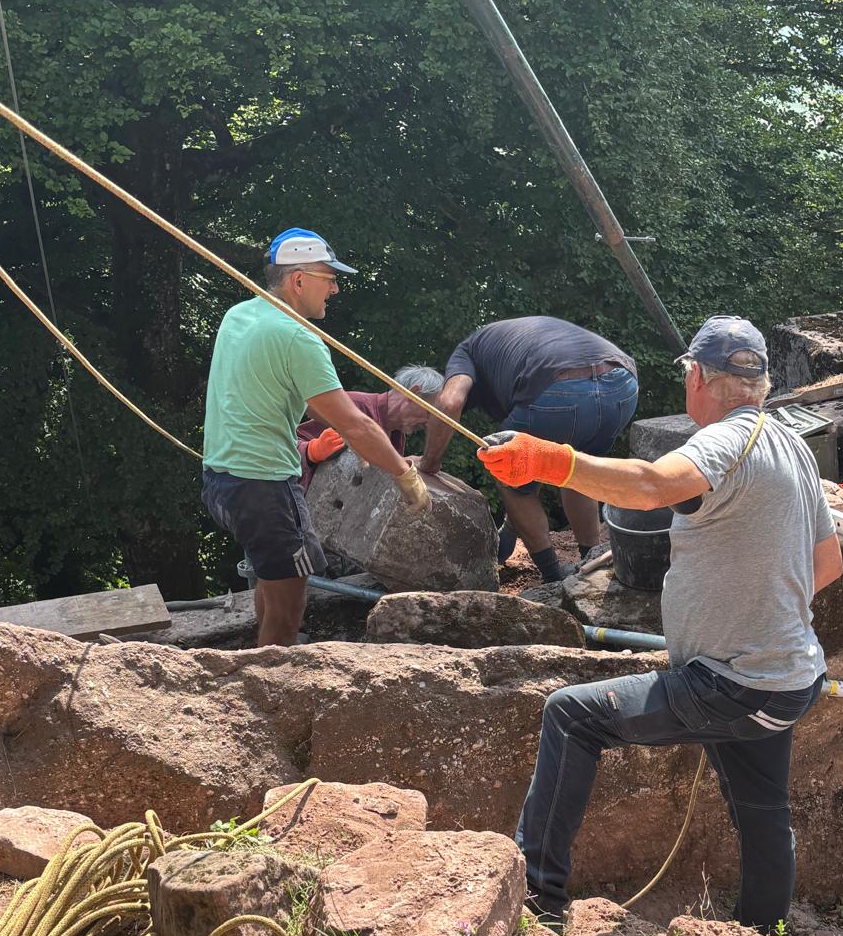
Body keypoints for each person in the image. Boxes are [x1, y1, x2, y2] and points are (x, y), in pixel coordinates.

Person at [477, 316, 843, 936]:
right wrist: (757, 611)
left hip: (733, 683)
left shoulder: (725, 439)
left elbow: (651, 486)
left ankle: (539, 901)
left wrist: (548, 460)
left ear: (696, 376)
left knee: (570, 715)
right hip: (789, 676)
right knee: (761, 809)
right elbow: (827, 565)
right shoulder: (791, 443)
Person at [202, 228, 430, 647]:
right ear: (298, 280)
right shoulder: (297, 337)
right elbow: (355, 424)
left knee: (271, 578)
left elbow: (308, 402)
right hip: (264, 485)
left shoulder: (240, 315)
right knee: (290, 607)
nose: (336, 289)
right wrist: (404, 474)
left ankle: (263, 660)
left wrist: (365, 444)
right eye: (330, 278)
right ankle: (272, 674)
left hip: (222, 479)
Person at [418, 315, 639, 581]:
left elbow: (450, 402)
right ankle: (592, 566)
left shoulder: (466, 351)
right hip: (622, 385)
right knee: (577, 470)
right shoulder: (505, 344)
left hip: (558, 390)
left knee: (508, 471)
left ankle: (553, 578)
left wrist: (429, 464)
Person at [295, 365, 445, 491]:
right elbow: (288, 443)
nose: (428, 423)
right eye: (429, 413)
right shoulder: (353, 405)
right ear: (413, 394)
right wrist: (311, 451)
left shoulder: (396, 437)